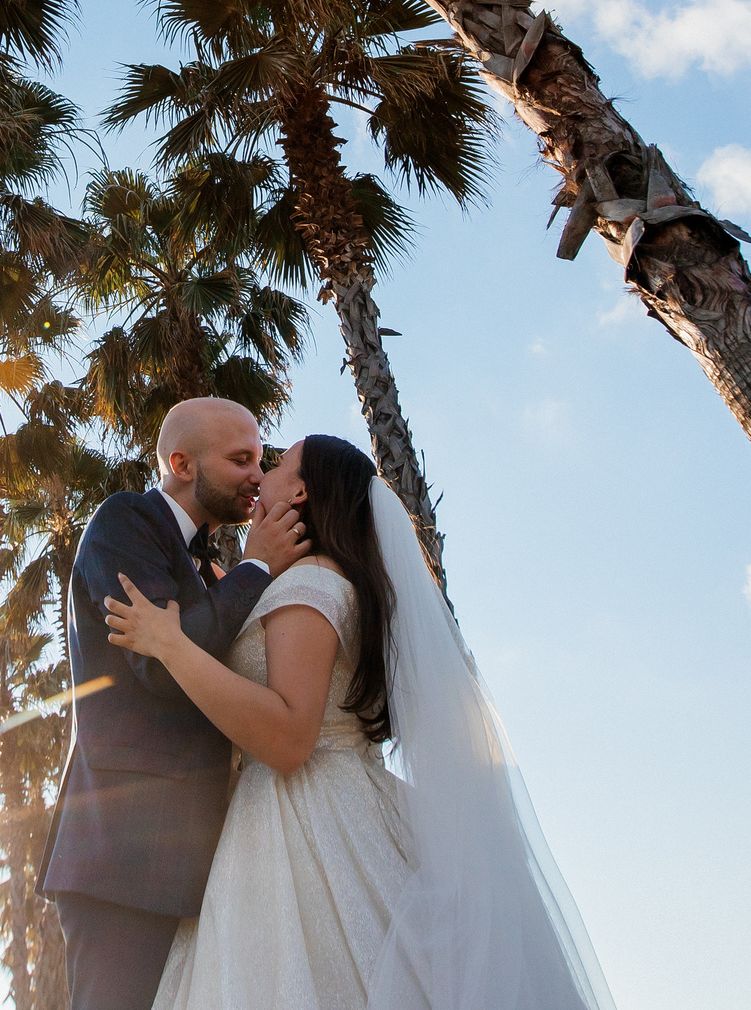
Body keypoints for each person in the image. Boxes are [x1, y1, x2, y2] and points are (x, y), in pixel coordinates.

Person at [102, 433, 612, 1010]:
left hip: (304, 823)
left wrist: (173, 648)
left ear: (299, 491)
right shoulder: (314, 578)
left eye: (277, 465)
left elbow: (292, 736)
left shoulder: (309, 583)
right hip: (328, 805)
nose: (261, 476)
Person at [44, 397, 315, 1010]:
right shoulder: (126, 521)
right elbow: (162, 666)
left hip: (187, 861)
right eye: (240, 458)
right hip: (124, 858)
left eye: (261, 458)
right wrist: (257, 568)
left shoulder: (202, 566)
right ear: (181, 463)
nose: (256, 472)